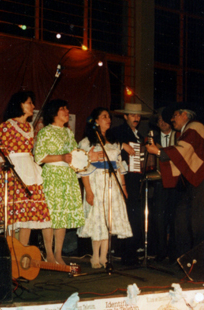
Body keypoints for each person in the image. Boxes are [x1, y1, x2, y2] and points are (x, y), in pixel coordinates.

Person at [146, 105, 204, 259]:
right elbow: (182, 156)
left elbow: (183, 151)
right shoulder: (185, 133)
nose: (171, 119)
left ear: (185, 115)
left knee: (198, 223)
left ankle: (198, 263)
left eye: (174, 115)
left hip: (203, 179)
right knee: (181, 219)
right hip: (194, 181)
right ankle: (186, 259)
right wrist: (162, 152)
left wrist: (158, 152)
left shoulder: (194, 127)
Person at [0, 91, 53, 248]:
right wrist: (4, 169)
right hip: (13, 170)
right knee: (12, 214)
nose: (33, 106)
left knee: (27, 215)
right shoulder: (7, 126)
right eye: (29, 103)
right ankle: (10, 251)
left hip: (29, 170)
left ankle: (23, 251)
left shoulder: (29, 127)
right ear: (20, 105)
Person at [77, 107, 132, 268]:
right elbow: (82, 169)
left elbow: (120, 167)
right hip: (96, 184)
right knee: (98, 219)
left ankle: (104, 257)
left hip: (112, 185)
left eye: (109, 117)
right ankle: (95, 256)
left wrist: (123, 187)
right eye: (104, 117)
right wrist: (88, 191)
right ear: (95, 121)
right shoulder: (87, 143)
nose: (108, 119)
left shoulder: (114, 142)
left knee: (109, 219)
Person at [34, 99, 86, 265]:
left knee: (62, 216)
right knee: (51, 215)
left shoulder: (68, 133)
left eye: (66, 107)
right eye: (62, 108)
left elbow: (75, 154)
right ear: (54, 112)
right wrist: (61, 157)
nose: (66, 111)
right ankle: (49, 254)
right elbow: (39, 157)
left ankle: (58, 254)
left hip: (67, 176)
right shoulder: (45, 132)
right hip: (52, 175)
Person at [108, 103, 152, 266]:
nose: (136, 118)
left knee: (134, 215)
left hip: (136, 179)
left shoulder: (140, 135)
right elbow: (108, 145)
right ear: (125, 116)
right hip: (124, 179)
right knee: (128, 215)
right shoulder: (118, 132)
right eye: (132, 115)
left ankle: (131, 251)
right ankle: (126, 253)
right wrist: (123, 145)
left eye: (138, 116)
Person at [148, 107, 178, 263]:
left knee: (174, 219)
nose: (162, 122)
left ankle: (173, 254)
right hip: (160, 183)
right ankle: (160, 252)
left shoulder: (178, 136)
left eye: (164, 119)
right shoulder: (153, 138)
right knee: (159, 219)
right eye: (159, 120)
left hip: (176, 184)